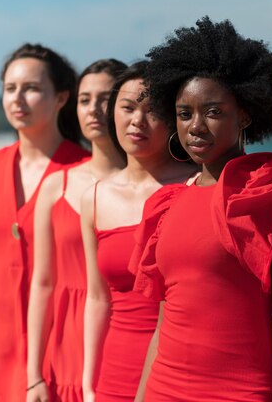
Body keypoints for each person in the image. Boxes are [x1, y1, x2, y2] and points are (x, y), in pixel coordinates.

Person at [129, 17, 272, 401]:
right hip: (163, 388)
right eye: (184, 114)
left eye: (212, 112)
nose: (196, 126)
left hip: (240, 392)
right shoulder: (168, 203)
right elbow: (165, 320)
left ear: (244, 114)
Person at [0, 43, 90, 401]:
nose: (18, 98)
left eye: (32, 88)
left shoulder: (85, 173)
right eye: (10, 88)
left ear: (62, 97)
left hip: (56, 356)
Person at [79, 61, 197, 401]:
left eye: (152, 111)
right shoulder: (95, 197)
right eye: (128, 107)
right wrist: (89, 382)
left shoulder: (195, 186)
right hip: (114, 369)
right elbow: (98, 297)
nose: (137, 121)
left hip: (176, 367)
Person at [26, 59, 128, 402]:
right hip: (65, 343)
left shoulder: (154, 188)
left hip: (126, 334)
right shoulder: (56, 186)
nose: (94, 109)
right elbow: (42, 284)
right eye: (85, 99)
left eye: (106, 98)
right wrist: (33, 376)